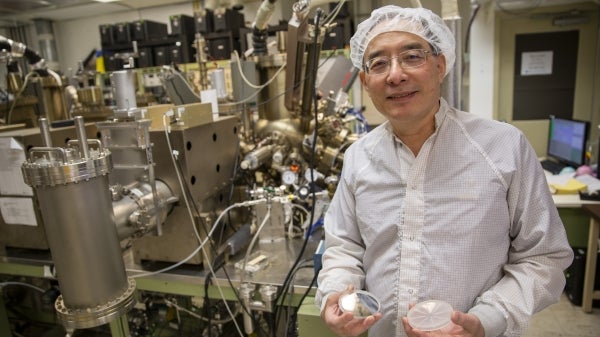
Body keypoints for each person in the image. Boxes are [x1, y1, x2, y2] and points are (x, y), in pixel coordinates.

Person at [315, 5, 574, 337]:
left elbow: (544, 258)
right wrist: (336, 293)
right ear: (365, 81)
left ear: (440, 66)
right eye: (379, 63)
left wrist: (486, 319)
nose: (395, 75)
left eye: (412, 57)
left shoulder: (503, 148)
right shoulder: (358, 158)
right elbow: (344, 246)